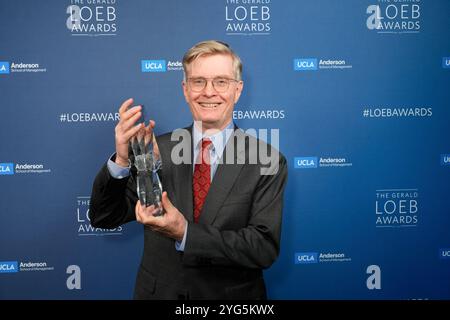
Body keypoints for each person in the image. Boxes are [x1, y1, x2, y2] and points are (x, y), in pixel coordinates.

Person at [89, 40, 288, 300]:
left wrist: (185, 233)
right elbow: (105, 216)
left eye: (221, 81)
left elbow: (262, 248)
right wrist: (123, 159)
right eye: (198, 81)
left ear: (237, 90)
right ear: (185, 89)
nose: (209, 92)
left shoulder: (267, 159)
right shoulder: (156, 148)